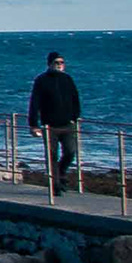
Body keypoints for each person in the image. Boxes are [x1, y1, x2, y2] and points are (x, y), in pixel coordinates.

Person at [27, 51, 83, 195]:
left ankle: (61, 172)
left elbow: (75, 98)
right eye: (56, 63)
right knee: (51, 155)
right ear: (50, 64)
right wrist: (33, 124)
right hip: (49, 126)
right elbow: (34, 103)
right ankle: (55, 185)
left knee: (71, 152)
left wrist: (75, 117)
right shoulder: (41, 80)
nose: (59, 65)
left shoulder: (67, 79)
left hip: (67, 124)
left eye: (61, 63)